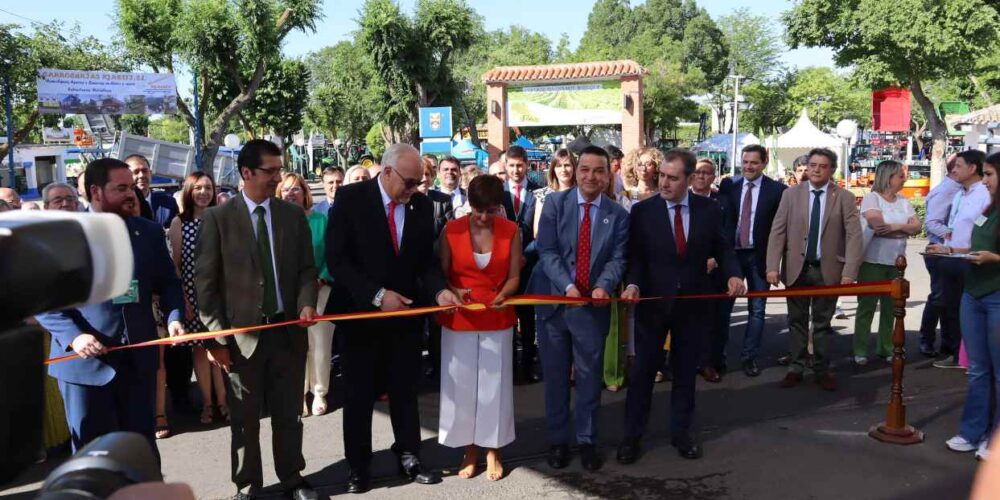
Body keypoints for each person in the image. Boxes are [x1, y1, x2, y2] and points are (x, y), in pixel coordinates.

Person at [325, 143, 462, 494]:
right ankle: (358, 466)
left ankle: (409, 454)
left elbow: (426, 264)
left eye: (419, 182)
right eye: (410, 182)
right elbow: (338, 261)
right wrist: (376, 296)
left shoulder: (421, 205)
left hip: (405, 317)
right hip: (359, 317)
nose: (416, 189)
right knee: (358, 397)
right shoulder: (351, 198)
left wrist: (439, 292)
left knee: (404, 391)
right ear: (387, 172)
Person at [194, 139, 320, 500]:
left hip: (288, 333)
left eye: (279, 170)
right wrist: (216, 340)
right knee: (245, 421)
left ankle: (292, 478)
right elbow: (205, 287)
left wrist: (306, 304)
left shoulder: (292, 216)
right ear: (246, 172)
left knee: (288, 415)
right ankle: (247, 486)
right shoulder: (218, 219)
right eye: (271, 171)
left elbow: (306, 270)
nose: (277, 178)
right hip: (241, 340)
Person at [36, 158, 185, 457]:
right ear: (96, 192)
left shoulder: (149, 232)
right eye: (121, 188)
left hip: (138, 364)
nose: (131, 194)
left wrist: (174, 317)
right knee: (94, 458)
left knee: (140, 453)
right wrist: (75, 336)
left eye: (131, 187)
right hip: (84, 368)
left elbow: (169, 282)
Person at [616, 149, 744, 464]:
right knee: (643, 374)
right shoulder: (642, 211)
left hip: (692, 306)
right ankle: (632, 437)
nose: (664, 183)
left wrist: (734, 275)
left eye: (673, 178)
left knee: (685, 374)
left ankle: (682, 433)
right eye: (661, 175)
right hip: (652, 305)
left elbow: (724, 248)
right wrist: (632, 285)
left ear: (689, 179)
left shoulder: (709, 210)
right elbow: (636, 258)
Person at [529, 146, 629, 471]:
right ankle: (559, 441)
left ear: (607, 175)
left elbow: (618, 258)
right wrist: (568, 287)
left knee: (588, 381)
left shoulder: (618, 215)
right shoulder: (555, 204)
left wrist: (603, 285)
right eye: (584, 169)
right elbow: (547, 251)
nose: (590, 177)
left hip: (591, 309)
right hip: (555, 307)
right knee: (556, 380)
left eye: (598, 171)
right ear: (576, 170)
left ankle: (587, 441)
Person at [437, 174, 521, 481]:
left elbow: (514, 275)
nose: (484, 217)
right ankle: (469, 450)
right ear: (469, 205)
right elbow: (442, 273)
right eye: (478, 210)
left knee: (495, 387)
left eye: (491, 210)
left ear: (500, 206)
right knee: (461, 386)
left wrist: (505, 294)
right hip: (459, 317)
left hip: (498, 316)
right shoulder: (452, 229)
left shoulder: (511, 230)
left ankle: (493, 450)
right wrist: (453, 291)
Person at [766, 148, 863, 392]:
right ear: (807, 167)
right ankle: (796, 367)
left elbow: (854, 236)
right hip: (796, 269)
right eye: (812, 165)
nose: (816, 169)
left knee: (822, 323)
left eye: (822, 165)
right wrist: (772, 266)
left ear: (831, 169)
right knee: (796, 320)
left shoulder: (844, 197)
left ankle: (821, 368)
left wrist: (850, 271)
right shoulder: (791, 195)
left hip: (828, 270)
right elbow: (778, 230)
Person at [929, 152, 1000, 461]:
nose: (985, 181)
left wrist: (994, 259)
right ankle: (972, 432)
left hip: (996, 294)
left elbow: (989, 252)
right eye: (984, 174)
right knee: (978, 370)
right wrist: (950, 249)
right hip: (974, 293)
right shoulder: (988, 206)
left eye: (989, 174)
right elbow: (974, 245)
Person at [717, 144, 788, 379]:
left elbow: (781, 230)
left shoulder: (777, 190)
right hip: (731, 257)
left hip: (760, 257)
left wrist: (774, 264)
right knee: (724, 308)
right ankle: (719, 358)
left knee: (757, 310)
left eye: (754, 162)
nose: (748, 166)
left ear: (764, 163)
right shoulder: (729, 186)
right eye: (745, 162)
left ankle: (749, 357)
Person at [166, 172, 228, 432]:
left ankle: (224, 400)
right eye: (198, 188)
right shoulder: (180, 223)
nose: (204, 192)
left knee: (220, 351)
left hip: (219, 296)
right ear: (189, 191)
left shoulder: (221, 218)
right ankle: (207, 403)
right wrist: (184, 301)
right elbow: (177, 267)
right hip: (192, 297)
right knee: (201, 352)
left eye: (208, 188)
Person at [276, 172, 336, 418]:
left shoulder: (321, 219)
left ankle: (320, 393)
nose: (292, 193)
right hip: (288, 292)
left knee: (320, 344)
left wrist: (321, 278)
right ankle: (298, 394)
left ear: (305, 193)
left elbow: (333, 254)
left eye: (296, 189)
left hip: (321, 288)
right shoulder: (276, 222)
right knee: (294, 346)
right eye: (286, 189)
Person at [853, 161, 922, 365]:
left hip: (897, 262)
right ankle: (860, 349)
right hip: (872, 260)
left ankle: (885, 347)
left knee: (890, 307)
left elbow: (917, 226)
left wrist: (894, 227)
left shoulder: (903, 200)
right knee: (866, 306)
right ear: (889, 177)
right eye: (900, 175)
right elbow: (878, 225)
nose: (904, 179)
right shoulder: (871, 198)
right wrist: (903, 228)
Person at [931, 150, 992, 369]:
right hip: (950, 257)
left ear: (972, 168)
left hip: (971, 260)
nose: (953, 170)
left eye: (958, 166)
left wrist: (958, 249)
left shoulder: (984, 196)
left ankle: (967, 356)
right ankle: (954, 352)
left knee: (965, 311)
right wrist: (945, 248)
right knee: (949, 308)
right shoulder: (960, 194)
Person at [501, 145, 543, 384]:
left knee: (528, 321)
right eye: (511, 165)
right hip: (503, 268)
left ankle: (528, 367)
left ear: (527, 165)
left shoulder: (539, 193)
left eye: (520, 165)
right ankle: (507, 369)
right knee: (506, 320)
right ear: (506, 166)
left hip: (528, 266)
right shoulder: (499, 192)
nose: (516, 170)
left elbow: (541, 234)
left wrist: (524, 256)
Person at [921, 157, 962, 357]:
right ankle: (926, 340)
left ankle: (947, 343)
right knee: (939, 298)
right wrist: (957, 236)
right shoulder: (947, 191)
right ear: (954, 170)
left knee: (949, 299)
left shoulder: (960, 190)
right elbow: (932, 223)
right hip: (939, 250)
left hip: (950, 251)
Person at [419, 157, 455, 377]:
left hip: (434, 267)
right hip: (411, 273)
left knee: (436, 324)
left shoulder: (442, 201)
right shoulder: (406, 200)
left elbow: (446, 233)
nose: (424, 178)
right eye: (420, 174)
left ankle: (436, 364)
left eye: (428, 174)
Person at [531, 149, 577, 237]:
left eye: (567, 165)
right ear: (553, 169)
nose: (563, 169)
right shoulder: (543, 195)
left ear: (574, 167)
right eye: (559, 166)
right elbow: (537, 232)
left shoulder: (582, 193)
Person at [125, 154, 178, 229]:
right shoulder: (121, 206)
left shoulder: (168, 202)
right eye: (136, 172)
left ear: (150, 173)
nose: (141, 175)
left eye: (145, 171)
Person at [618, 147, 662, 211]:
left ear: (656, 168)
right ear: (634, 169)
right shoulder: (626, 196)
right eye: (639, 164)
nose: (643, 169)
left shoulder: (663, 195)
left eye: (648, 164)